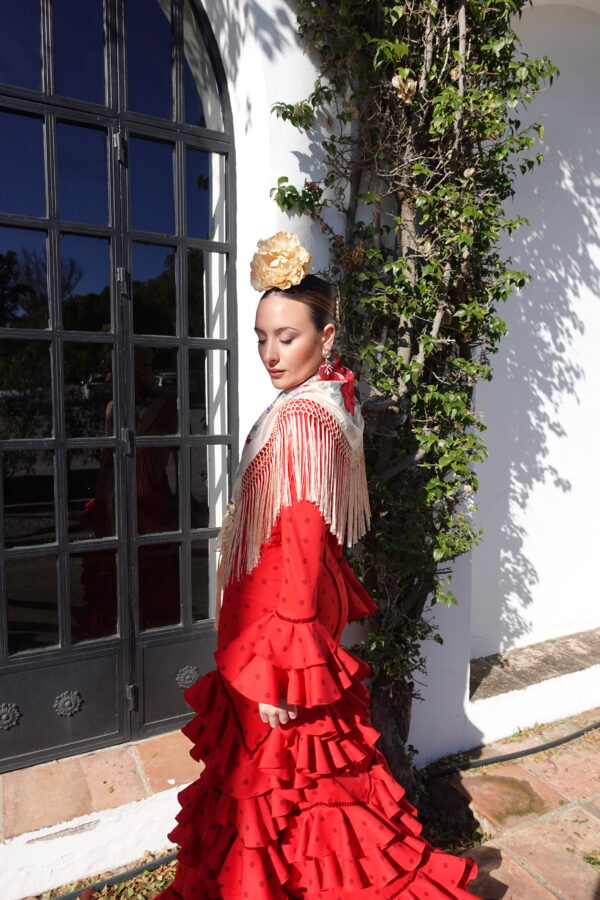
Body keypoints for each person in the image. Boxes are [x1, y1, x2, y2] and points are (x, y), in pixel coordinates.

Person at [156, 232, 479, 899]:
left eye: (287, 337)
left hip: (277, 638)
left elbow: (303, 537)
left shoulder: (304, 418)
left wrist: (282, 669)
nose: (272, 354)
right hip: (271, 628)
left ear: (325, 337)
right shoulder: (322, 400)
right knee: (294, 796)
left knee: (286, 791)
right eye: (261, 338)